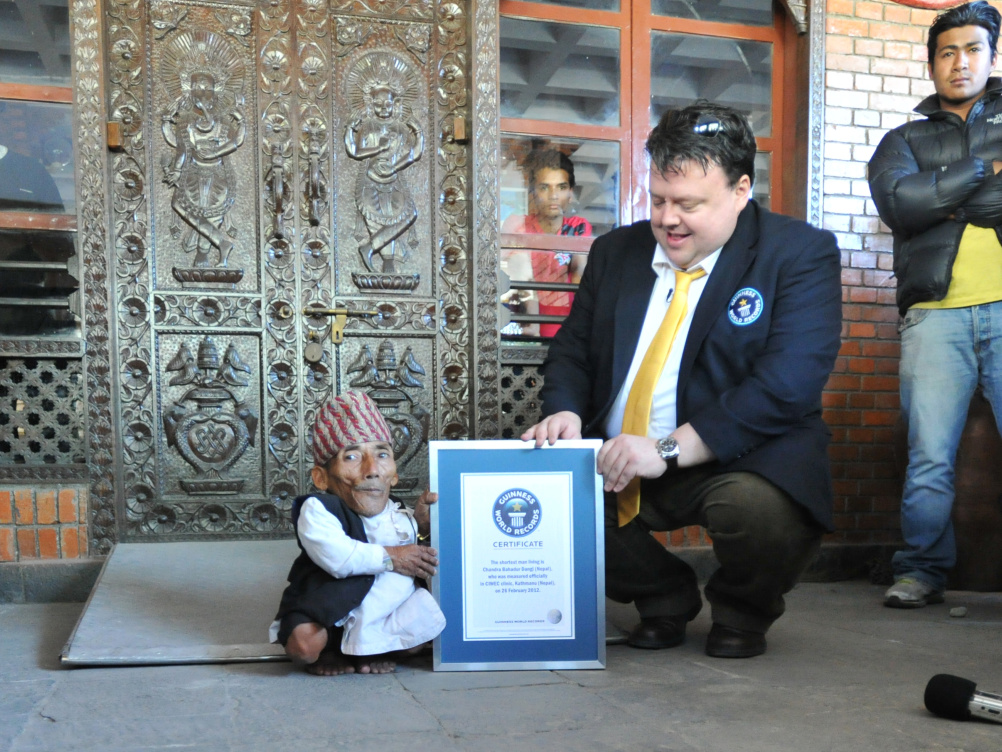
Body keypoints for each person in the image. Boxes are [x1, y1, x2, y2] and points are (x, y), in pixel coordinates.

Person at [522, 101, 842, 658]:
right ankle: (664, 598)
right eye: (659, 200)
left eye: (689, 204)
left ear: (741, 191)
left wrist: (666, 449)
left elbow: (786, 384)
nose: (667, 219)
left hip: (731, 460)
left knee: (762, 514)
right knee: (529, 489)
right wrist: (566, 409)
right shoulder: (615, 252)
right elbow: (572, 349)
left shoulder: (797, 254)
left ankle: (743, 611)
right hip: (615, 454)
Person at [868, 0, 1002, 609]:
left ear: (992, 58)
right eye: (947, 51)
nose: (960, 62)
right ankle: (920, 570)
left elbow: (925, 203)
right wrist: (985, 170)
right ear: (930, 66)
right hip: (934, 313)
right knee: (928, 455)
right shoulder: (902, 139)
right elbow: (901, 207)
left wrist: (942, 195)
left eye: (973, 49)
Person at [270, 390, 445, 675]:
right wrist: (394, 556)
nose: (372, 469)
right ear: (321, 477)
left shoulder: (400, 512)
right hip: (330, 607)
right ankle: (331, 651)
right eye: (352, 456)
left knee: (421, 637)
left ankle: (373, 648)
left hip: (385, 610)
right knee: (304, 645)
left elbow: (417, 550)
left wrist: (423, 528)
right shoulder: (318, 509)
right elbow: (339, 558)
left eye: (382, 455)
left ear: (394, 473)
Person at [502, 149, 592, 337]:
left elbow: (580, 271)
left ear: (570, 193)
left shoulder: (578, 227)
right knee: (519, 258)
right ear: (533, 192)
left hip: (566, 329)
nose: (553, 195)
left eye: (561, 187)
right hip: (523, 327)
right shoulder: (519, 224)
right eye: (545, 187)